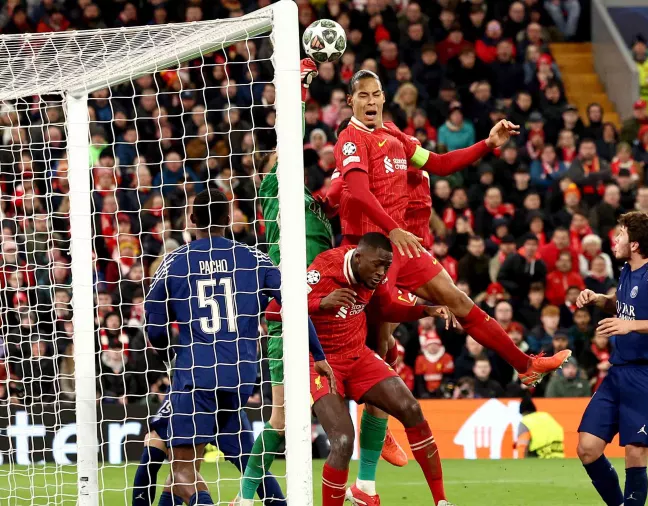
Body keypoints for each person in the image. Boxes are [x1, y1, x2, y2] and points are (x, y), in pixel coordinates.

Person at [333, 70, 570, 387]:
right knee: (380, 341)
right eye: (363, 95)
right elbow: (360, 192)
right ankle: (377, 429)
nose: (371, 101)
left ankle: (526, 365)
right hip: (367, 250)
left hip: (401, 246)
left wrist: (487, 143)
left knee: (458, 300)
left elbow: (440, 164)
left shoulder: (394, 135)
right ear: (350, 101)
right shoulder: (350, 140)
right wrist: (393, 230)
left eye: (375, 94)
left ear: (384, 98)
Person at [240, 59, 406, 506]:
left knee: (385, 357)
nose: (292, 163)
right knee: (280, 418)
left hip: (335, 320)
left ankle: (368, 475)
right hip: (290, 322)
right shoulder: (274, 197)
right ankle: (245, 494)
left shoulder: (318, 209)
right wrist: (300, 88)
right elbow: (284, 141)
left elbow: (349, 185)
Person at [141, 190, 321, 506]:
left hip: (195, 373)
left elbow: (154, 329)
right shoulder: (255, 258)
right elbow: (294, 304)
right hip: (240, 375)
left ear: (191, 220)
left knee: (182, 472)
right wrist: (318, 355)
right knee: (246, 458)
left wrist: (171, 351)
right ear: (228, 219)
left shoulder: (174, 261)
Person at [303, 232, 455, 506]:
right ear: (358, 257)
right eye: (377, 265)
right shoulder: (324, 268)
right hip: (321, 362)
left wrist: (426, 310)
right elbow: (275, 309)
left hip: (357, 355)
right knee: (342, 441)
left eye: (387, 266)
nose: (382, 273)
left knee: (411, 409)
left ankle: (442, 502)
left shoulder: (375, 271)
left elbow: (387, 308)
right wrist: (321, 303)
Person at [575, 212, 648, 506]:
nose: (615, 239)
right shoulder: (626, 271)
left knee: (635, 452)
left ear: (635, 244)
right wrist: (600, 299)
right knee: (587, 447)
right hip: (619, 372)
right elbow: (624, 305)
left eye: (620, 234)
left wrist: (631, 326)